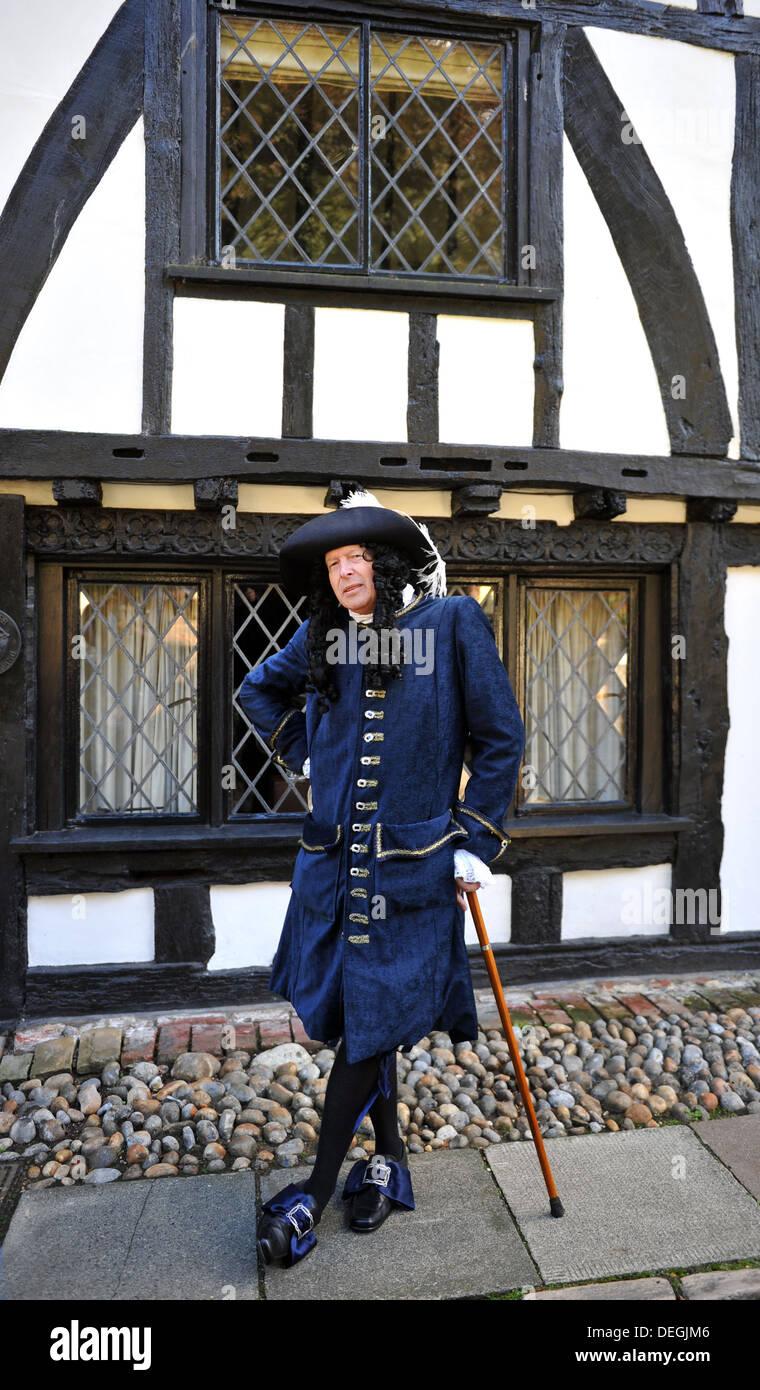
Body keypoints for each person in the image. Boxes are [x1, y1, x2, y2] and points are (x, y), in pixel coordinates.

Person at [238, 489, 525, 1267]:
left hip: (412, 876)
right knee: (367, 1021)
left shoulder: (449, 623)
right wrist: (304, 753)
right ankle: (388, 1165)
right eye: (332, 563)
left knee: (374, 1023)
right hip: (332, 872)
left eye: (355, 557)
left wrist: (477, 840)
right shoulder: (323, 638)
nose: (344, 573)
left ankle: (315, 1194)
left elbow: (500, 738)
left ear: (386, 563)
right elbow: (255, 690)